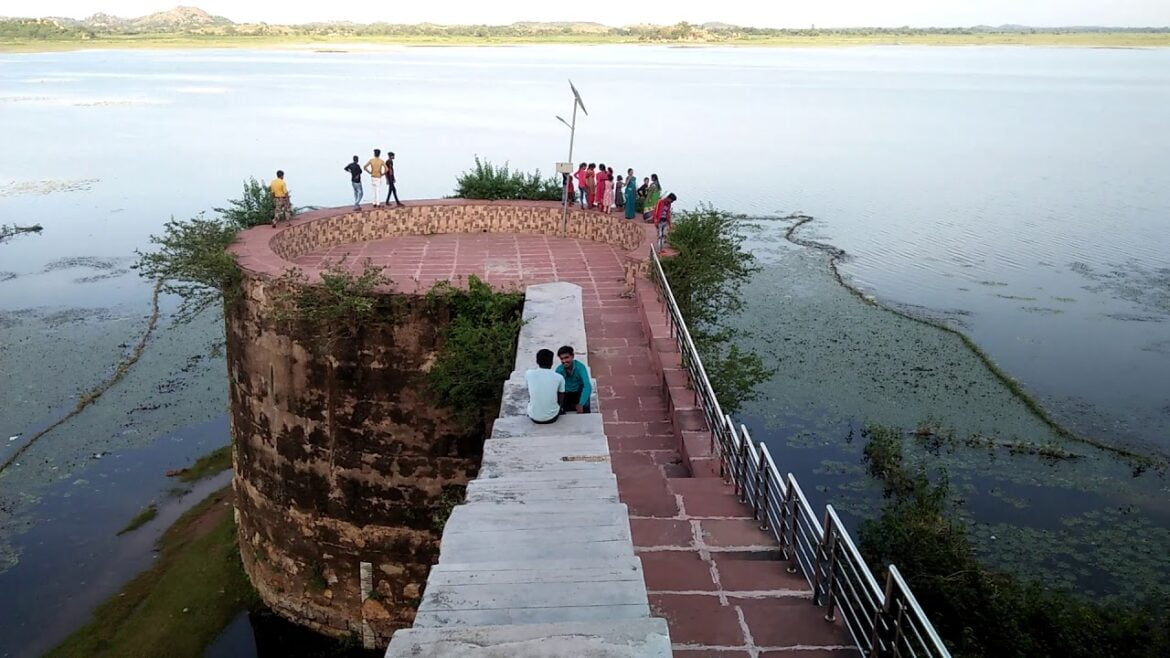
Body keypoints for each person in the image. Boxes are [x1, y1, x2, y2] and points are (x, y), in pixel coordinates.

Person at [526, 349, 565, 424]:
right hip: (552, 417)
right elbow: (561, 398)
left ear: (537, 361)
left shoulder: (528, 374)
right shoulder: (559, 377)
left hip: (533, 416)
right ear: (552, 362)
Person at [555, 346, 592, 414]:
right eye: (561, 359)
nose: (564, 361)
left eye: (566, 357)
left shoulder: (580, 367)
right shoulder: (559, 370)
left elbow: (587, 386)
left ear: (572, 356)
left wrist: (581, 403)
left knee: (585, 406)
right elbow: (555, 387)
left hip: (578, 391)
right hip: (566, 393)